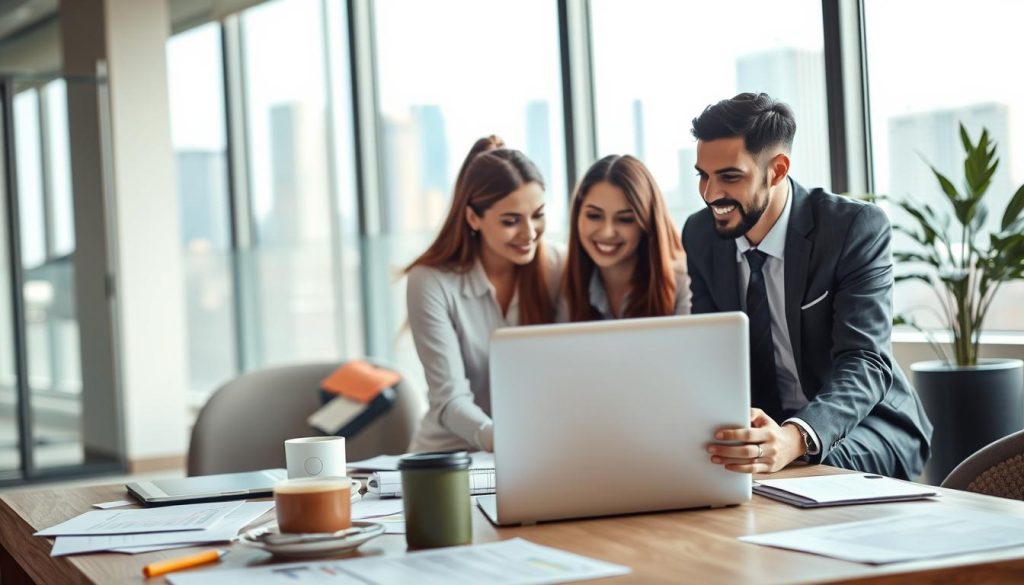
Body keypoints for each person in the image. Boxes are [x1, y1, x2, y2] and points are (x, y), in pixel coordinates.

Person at [683, 93, 932, 479]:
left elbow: (865, 361)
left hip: (865, 425)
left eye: (730, 176)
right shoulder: (701, 236)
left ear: (777, 170)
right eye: (703, 175)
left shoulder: (852, 228)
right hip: (763, 430)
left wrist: (794, 437)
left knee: (790, 468)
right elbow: (706, 353)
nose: (711, 193)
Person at [405, 136, 563, 453]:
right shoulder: (431, 282)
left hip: (536, 454)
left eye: (538, 215)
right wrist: (503, 440)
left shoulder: (558, 266)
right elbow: (449, 399)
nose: (529, 233)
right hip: (448, 458)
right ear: (473, 218)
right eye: (510, 221)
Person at [562, 154, 689, 321]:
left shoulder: (684, 280)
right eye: (594, 216)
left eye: (625, 219)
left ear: (647, 223)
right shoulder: (564, 281)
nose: (607, 232)